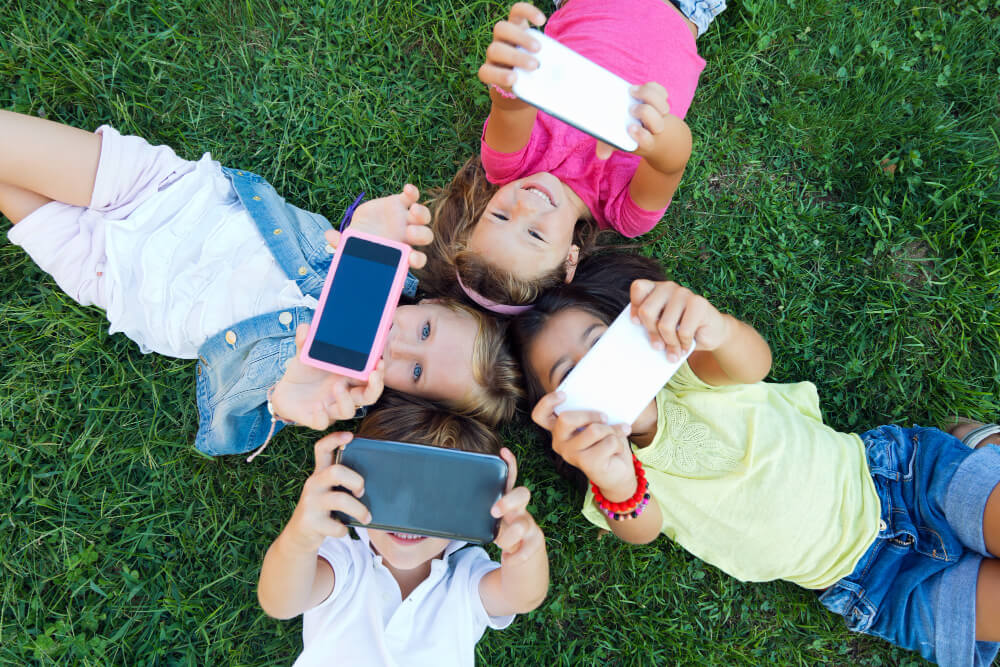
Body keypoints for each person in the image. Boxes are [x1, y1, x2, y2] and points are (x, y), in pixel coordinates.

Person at [510, 252, 1000, 665]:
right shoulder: (615, 475)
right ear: (557, 414)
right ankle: (977, 445)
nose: (599, 372)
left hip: (897, 478)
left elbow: (752, 362)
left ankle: (971, 447)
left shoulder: (684, 375)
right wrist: (614, 478)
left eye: (600, 346)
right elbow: (642, 528)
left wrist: (714, 328)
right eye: (571, 375)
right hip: (871, 583)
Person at [0, 110, 522, 456]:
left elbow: (224, 431)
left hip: (113, 280)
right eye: (425, 331)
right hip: (159, 192)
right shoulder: (367, 273)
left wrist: (278, 403)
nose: (400, 342)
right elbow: (347, 237)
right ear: (426, 302)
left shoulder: (320, 383)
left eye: (414, 369)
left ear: (404, 397)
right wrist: (365, 230)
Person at [418, 0, 723, 311]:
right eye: (535, 235)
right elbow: (674, 158)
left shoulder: (507, 165)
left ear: (480, 210)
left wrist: (512, 69)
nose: (524, 207)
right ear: (570, 260)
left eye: (499, 216)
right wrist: (653, 138)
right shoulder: (623, 212)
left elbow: (510, 102)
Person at [257, 394, 549, 667]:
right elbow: (280, 603)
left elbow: (521, 596)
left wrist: (525, 550)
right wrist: (300, 539)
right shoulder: (343, 560)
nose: (409, 513)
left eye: (436, 499)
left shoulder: (466, 580)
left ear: (470, 508)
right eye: (392, 488)